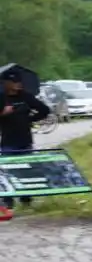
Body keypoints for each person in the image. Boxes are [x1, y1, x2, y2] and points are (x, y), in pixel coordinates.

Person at [0, 68, 50, 211]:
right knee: (7, 170)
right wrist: (3, 113)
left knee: (27, 169)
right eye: (14, 82)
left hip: (25, 139)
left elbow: (44, 110)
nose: (18, 84)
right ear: (6, 83)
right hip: (8, 140)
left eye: (19, 81)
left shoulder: (26, 97)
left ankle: (26, 198)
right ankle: (8, 200)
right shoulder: (2, 97)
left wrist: (30, 119)